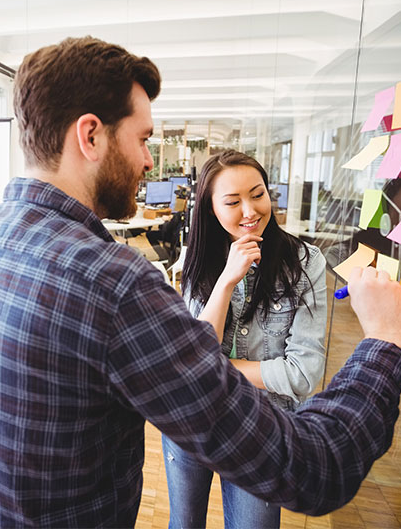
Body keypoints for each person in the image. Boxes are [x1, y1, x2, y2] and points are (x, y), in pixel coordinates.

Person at [0, 36, 401, 528]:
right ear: (90, 134)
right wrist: (386, 342)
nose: (148, 158)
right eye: (142, 138)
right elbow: (312, 468)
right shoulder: (116, 284)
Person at [162, 149, 328, 529]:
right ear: (210, 210)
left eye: (258, 194)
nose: (251, 211)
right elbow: (194, 360)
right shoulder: (200, 258)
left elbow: (302, 374)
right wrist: (226, 280)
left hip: (261, 431)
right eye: (233, 202)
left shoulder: (305, 263)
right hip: (193, 423)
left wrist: (216, 368)